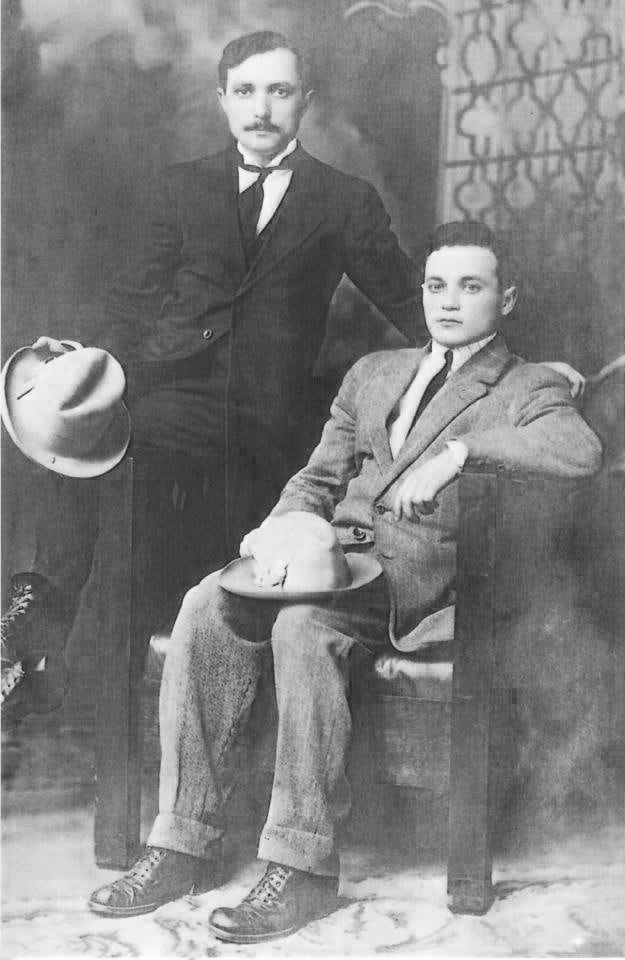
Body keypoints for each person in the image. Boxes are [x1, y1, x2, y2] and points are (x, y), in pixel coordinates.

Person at [1, 30, 583, 727]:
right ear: (222, 100)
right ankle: (35, 621)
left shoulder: (343, 199)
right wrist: (83, 362)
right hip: (163, 393)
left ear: (305, 100)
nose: (261, 109)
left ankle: (44, 637)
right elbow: (131, 302)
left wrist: (524, 362)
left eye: (278, 91)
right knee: (69, 432)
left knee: (121, 450)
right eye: (245, 91)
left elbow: (411, 301)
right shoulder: (180, 187)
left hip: (260, 414)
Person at [87, 221, 601, 942]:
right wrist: (279, 529)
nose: (448, 301)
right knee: (205, 602)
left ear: (505, 298)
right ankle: (182, 844)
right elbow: (318, 479)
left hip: (412, 583)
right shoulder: (375, 372)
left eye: (470, 286)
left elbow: (577, 449)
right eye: (436, 285)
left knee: (305, 624)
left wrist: (458, 453)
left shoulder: (527, 383)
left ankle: (301, 869)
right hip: (328, 559)